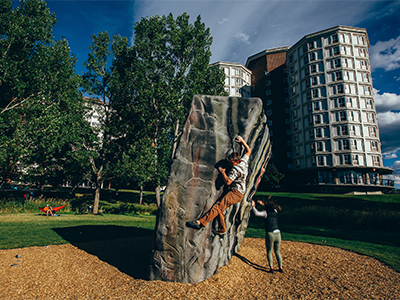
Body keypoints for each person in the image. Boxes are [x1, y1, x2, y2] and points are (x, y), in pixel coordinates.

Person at [186, 135, 251, 236]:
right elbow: (248, 151)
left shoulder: (235, 170)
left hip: (236, 193)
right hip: (238, 192)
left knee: (218, 206)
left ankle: (200, 222)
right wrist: (242, 141)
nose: (229, 164)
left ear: (236, 161)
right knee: (220, 208)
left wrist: (223, 172)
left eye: (231, 163)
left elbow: (228, 182)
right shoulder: (243, 162)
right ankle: (222, 230)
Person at [252, 198, 283, 273]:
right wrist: (263, 203)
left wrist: (253, 206)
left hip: (270, 233)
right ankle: (280, 267)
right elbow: (269, 206)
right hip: (278, 233)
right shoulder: (275, 211)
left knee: (269, 251)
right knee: (277, 251)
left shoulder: (265, 213)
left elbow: (257, 213)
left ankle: (271, 268)